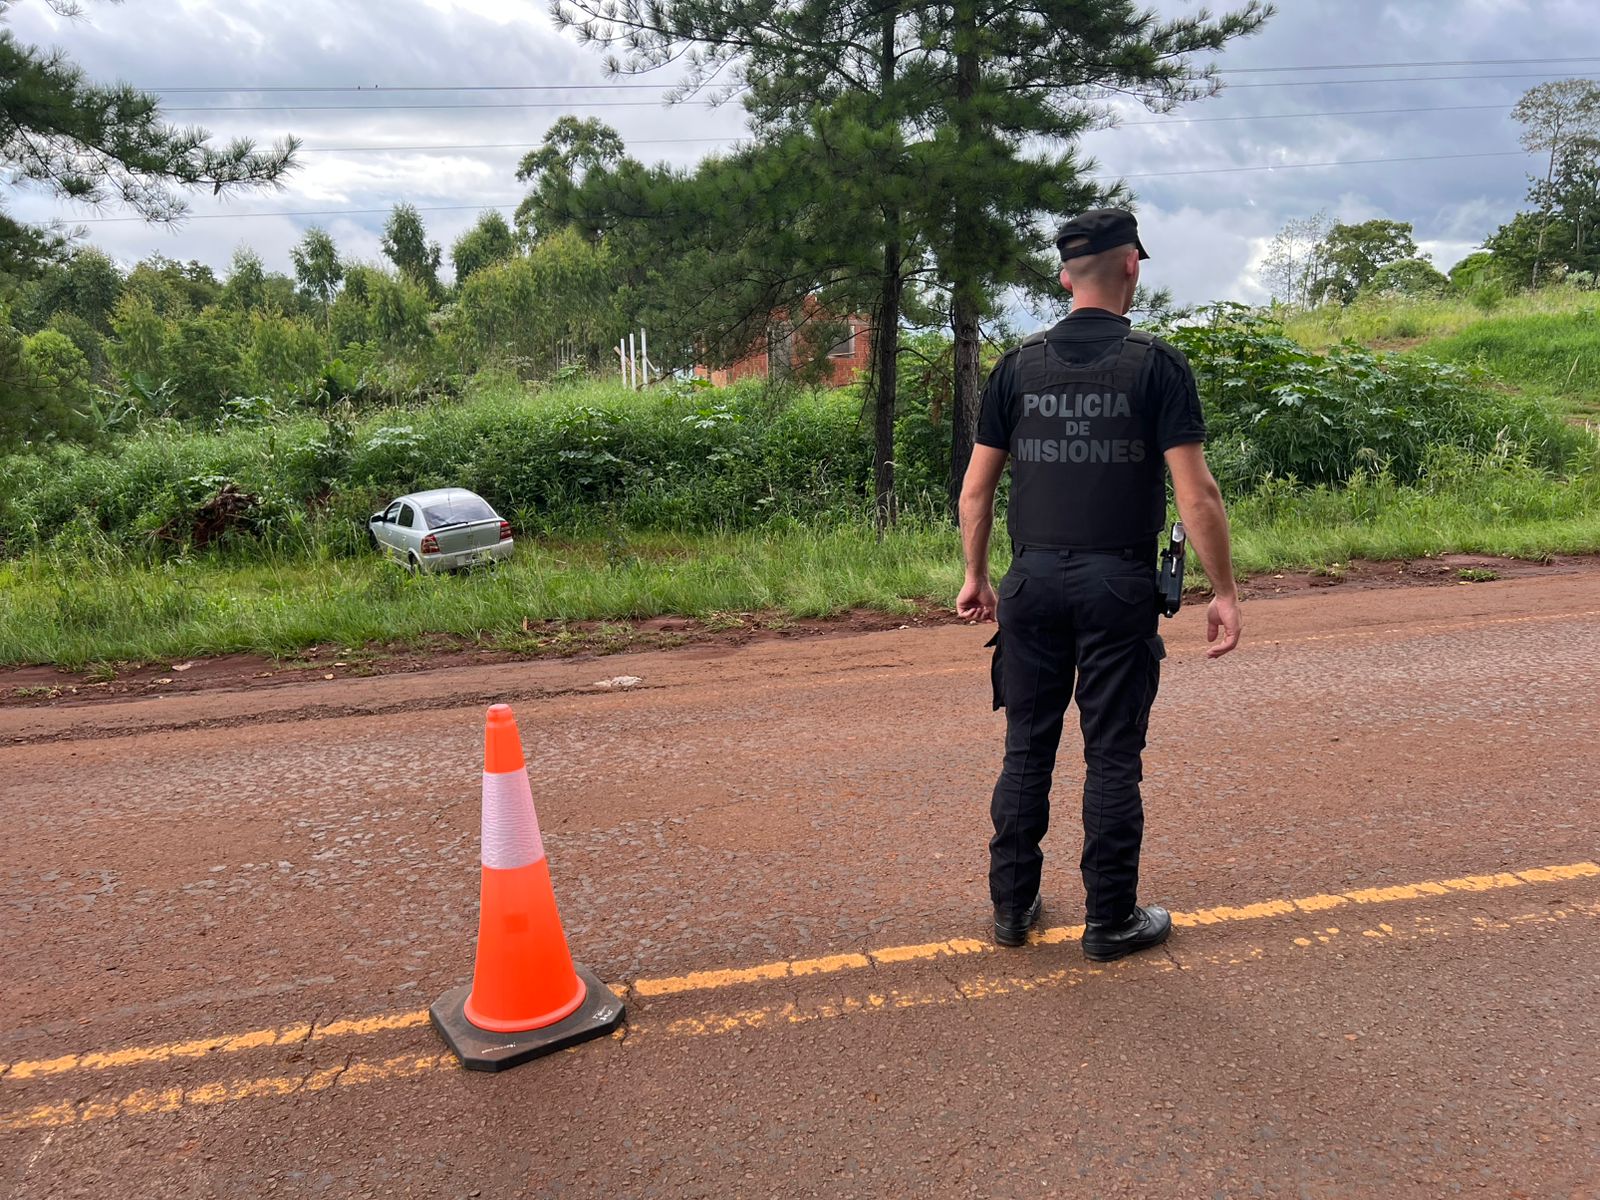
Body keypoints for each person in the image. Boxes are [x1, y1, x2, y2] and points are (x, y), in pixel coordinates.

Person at [955, 208, 1242, 961]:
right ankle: (1109, 920)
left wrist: (976, 575)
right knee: (1112, 754)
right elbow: (1197, 495)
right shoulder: (1157, 366)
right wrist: (1223, 591)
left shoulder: (1017, 367)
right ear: (1132, 266)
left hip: (1030, 583)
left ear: (1064, 276)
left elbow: (976, 492)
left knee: (1027, 749)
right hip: (1117, 584)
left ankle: (1012, 910)